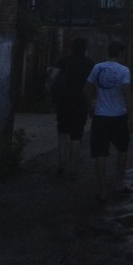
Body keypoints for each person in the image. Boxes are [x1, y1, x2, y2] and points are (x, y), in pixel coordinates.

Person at [84, 41, 133, 202]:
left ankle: (101, 190)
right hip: (119, 116)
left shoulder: (97, 68)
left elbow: (85, 90)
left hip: (100, 116)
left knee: (100, 152)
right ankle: (119, 183)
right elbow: (127, 93)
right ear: (120, 53)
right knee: (122, 149)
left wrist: (90, 107)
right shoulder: (124, 70)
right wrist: (131, 116)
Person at [48, 37, 94, 177]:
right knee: (76, 135)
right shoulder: (89, 63)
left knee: (62, 131)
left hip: (63, 101)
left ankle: (62, 163)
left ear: (71, 47)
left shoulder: (63, 61)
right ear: (85, 48)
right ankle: (73, 168)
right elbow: (92, 85)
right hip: (80, 102)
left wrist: (51, 92)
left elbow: (52, 78)